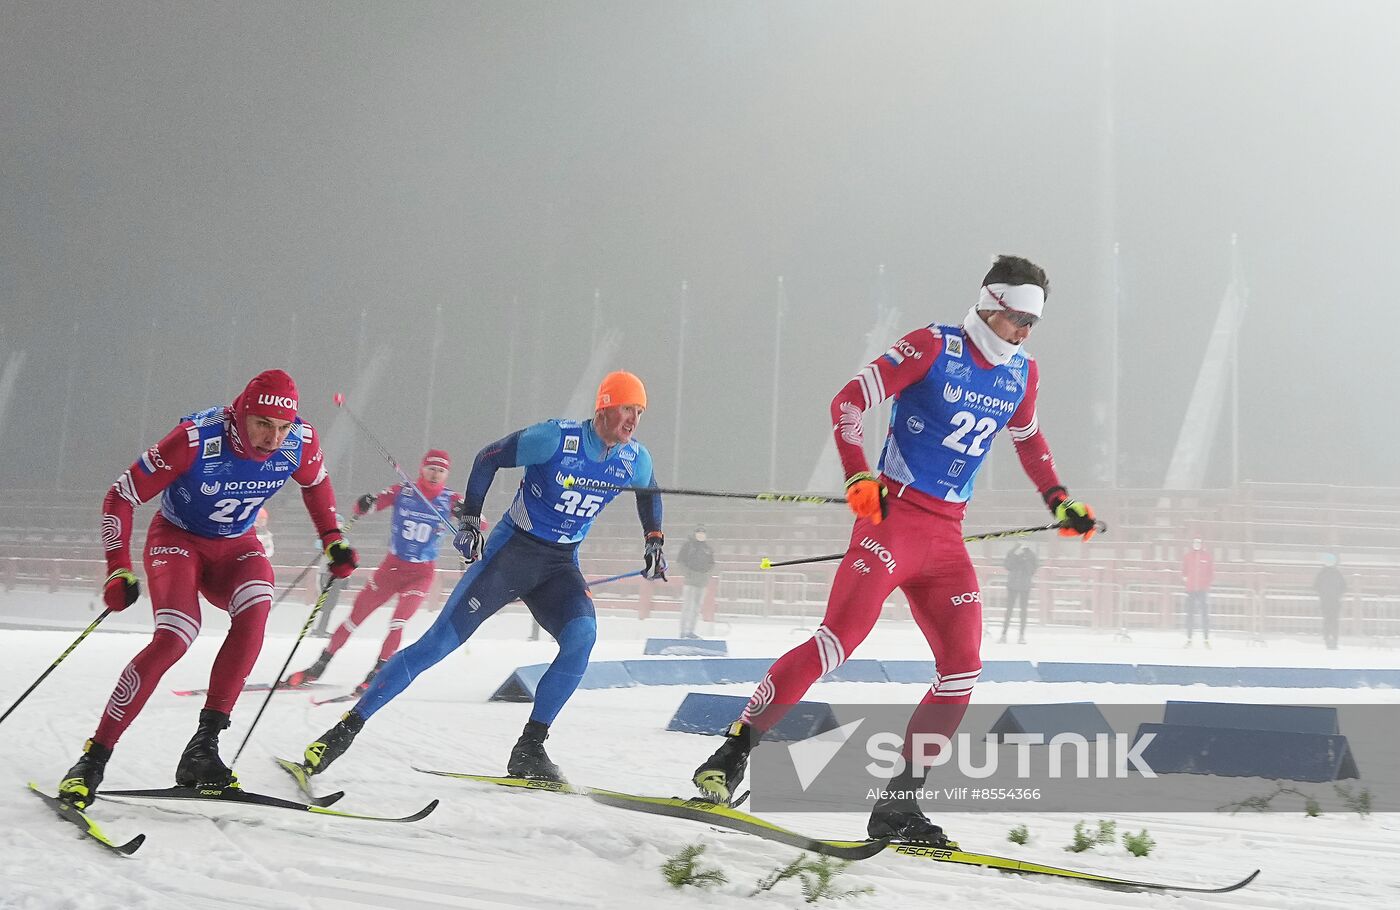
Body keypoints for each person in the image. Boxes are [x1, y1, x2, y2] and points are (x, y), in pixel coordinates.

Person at [690, 255, 1098, 846]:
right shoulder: (933, 345)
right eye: (1018, 320)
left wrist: (1060, 500)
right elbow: (849, 403)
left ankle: (897, 808)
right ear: (991, 304)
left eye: (1034, 325)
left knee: (962, 671)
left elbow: (1030, 441)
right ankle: (733, 753)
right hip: (892, 522)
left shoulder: (1022, 374)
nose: (1025, 334)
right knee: (837, 642)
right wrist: (858, 475)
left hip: (946, 537)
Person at [292, 371, 666, 783]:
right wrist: (470, 520)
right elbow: (488, 457)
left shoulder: (635, 458)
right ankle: (339, 735)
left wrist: (654, 538)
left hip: (559, 566)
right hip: (512, 554)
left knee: (581, 640)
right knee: (435, 646)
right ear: (605, 407)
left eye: (640, 413)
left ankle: (530, 750)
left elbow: (650, 491)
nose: (633, 420)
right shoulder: (556, 439)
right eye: (627, 409)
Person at [56, 370, 358, 808]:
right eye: (263, 425)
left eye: (282, 428)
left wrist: (333, 537)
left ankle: (203, 749)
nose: (273, 439)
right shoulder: (196, 439)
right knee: (175, 637)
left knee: (257, 609)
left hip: (236, 546)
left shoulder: (300, 440)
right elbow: (120, 497)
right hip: (177, 540)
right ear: (241, 415)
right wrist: (116, 568)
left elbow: (316, 484)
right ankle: (92, 760)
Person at [284, 450, 463, 692]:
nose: (435, 475)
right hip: (391, 569)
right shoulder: (404, 490)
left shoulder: (451, 499)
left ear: (447, 474)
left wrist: (467, 514)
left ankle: (378, 672)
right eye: (431, 468)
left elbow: (480, 522)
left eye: (441, 471)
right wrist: (365, 502)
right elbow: (367, 506)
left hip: (421, 574)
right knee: (354, 618)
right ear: (422, 468)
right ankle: (319, 666)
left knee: (398, 622)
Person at [677, 526, 716, 639]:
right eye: (699, 533)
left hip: (702, 582)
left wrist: (707, 575)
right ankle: (683, 631)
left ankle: (691, 631)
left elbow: (712, 564)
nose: (701, 535)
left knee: (696, 608)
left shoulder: (708, 549)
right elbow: (680, 561)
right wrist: (688, 574)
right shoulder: (688, 546)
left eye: (703, 533)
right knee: (687, 607)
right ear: (695, 534)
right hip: (690, 581)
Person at [998, 541, 1038, 644]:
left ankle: (1021, 635)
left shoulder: (1031, 554)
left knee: (1023, 611)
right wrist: (1016, 558)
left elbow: (1033, 570)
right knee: (1009, 611)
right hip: (1013, 584)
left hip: (1024, 585)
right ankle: (1004, 634)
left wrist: (1025, 561)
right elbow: (1007, 566)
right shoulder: (1012, 552)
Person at [1182, 538, 1214, 648]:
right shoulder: (1188, 556)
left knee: (1204, 615)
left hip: (1202, 590)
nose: (1197, 544)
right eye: (1195, 542)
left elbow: (1210, 572)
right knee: (1189, 615)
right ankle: (1189, 638)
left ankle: (1206, 639)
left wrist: (1206, 584)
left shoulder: (1207, 557)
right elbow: (1184, 572)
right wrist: (1187, 582)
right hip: (1191, 590)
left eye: (1198, 543)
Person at [1314, 554, 1346, 650]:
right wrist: (1337, 593)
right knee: (1335, 620)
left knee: (1327, 620)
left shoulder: (1321, 573)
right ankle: (1335, 640)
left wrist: (1322, 593)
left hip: (1325, 601)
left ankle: (1327, 638)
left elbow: (1316, 586)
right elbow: (1344, 587)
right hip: (1335, 601)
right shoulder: (1337, 573)